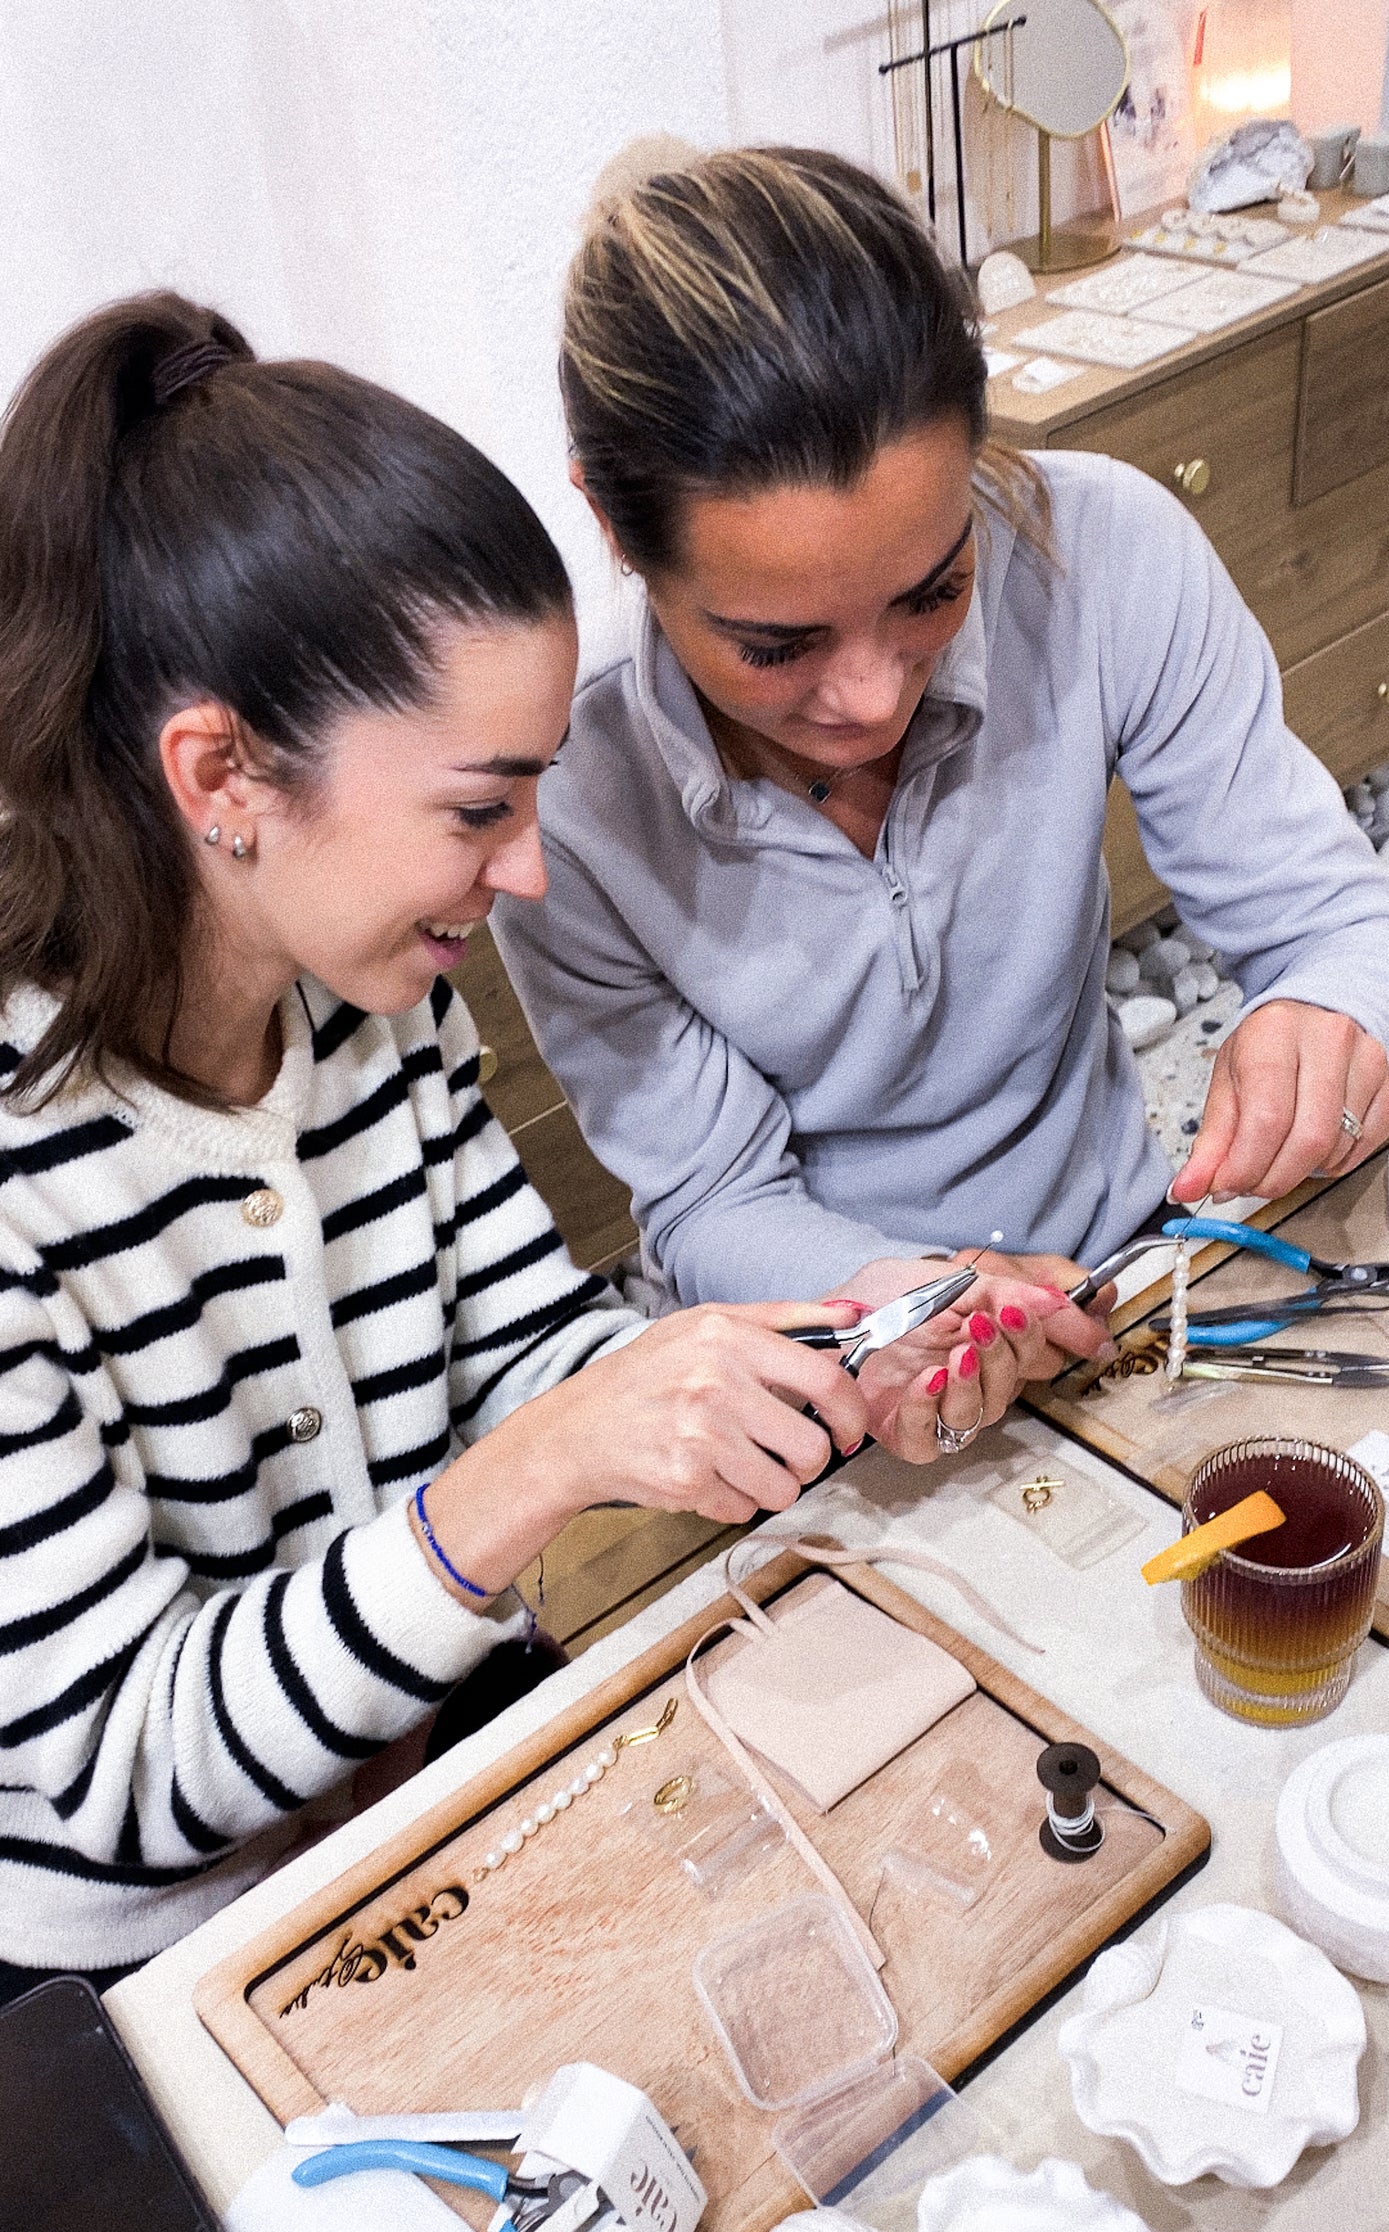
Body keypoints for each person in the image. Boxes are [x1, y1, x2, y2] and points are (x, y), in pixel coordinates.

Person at [0, 288, 1023, 1992]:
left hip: (418, 1798)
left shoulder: (366, 1000)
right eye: (482, 806)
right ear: (223, 776)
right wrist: (539, 1467)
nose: (532, 867)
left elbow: (530, 1348)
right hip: (146, 1963)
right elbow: (123, 1772)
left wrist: (840, 1344)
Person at [491, 146, 1389, 1389]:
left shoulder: (1102, 553)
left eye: (933, 589)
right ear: (613, 531)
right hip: (831, 1346)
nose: (873, 697)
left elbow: (1345, 926)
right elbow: (710, 1199)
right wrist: (896, 1304)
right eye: (775, 646)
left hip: (1129, 1257)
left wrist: (1338, 1013)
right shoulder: (565, 798)